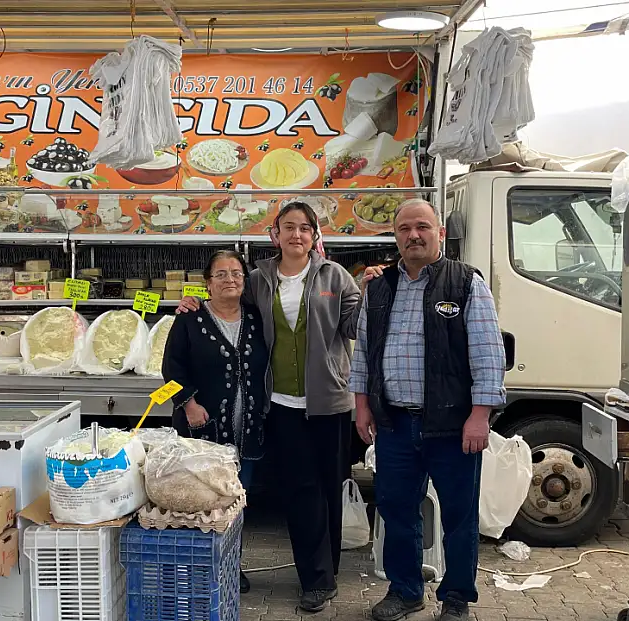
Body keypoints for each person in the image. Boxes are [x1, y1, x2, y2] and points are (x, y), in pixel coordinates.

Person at [177, 202, 361, 612]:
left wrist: (375, 290)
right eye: (289, 227)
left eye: (305, 228)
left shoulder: (334, 276)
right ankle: (314, 579)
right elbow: (227, 302)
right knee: (300, 490)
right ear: (274, 234)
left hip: (330, 402)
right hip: (281, 403)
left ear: (315, 236)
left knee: (330, 488)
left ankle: (326, 570)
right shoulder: (259, 279)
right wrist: (193, 303)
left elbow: (354, 325)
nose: (297, 235)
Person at [349, 199, 506, 621]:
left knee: (458, 515)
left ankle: (456, 599)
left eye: (422, 227)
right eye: (404, 228)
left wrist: (480, 415)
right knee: (397, 511)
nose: (413, 235)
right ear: (395, 236)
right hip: (395, 423)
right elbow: (363, 352)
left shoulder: (465, 283)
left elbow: (488, 356)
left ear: (440, 233)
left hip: (453, 424)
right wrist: (361, 404)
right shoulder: (379, 289)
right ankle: (405, 591)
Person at [162, 250, 270, 594]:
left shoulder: (256, 317)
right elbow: (172, 367)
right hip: (202, 429)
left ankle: (230, 566)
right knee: (200, 501)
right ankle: (198, 571)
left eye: (237, 273)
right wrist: (188, 403)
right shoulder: (189, 319)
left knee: (236, 501)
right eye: (221, 274)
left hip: (247, 427)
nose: (230, 280)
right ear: (207, 283)